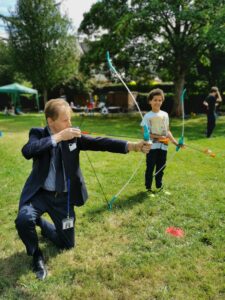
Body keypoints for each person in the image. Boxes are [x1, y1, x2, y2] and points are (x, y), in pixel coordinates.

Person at [15, 98, 151, 280]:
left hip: (63, 198)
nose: (70, 124)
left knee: (67, 245)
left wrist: (133, 146)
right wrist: (58, 138)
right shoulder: (38, 134)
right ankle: (35, 254)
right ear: (50, 121)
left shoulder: (73, 137)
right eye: (65, 120)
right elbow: (28, 150)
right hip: (40, 194)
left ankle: (40, 223)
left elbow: (101, 142)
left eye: (70, 119)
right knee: (23, 220)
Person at [140, 89, 179, 196]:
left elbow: (167, 131)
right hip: (152, 146)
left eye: (160, 100)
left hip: (164, 146)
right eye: (155, 100)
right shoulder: (147, 116)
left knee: (161, 167)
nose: (157, 102)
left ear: (162, 101)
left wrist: (175, 142)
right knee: (150, 167)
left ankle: (159, 186)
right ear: (150, 101)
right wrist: (159, 137)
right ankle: (148, 188)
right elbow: (145, 133)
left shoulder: (165, 114)